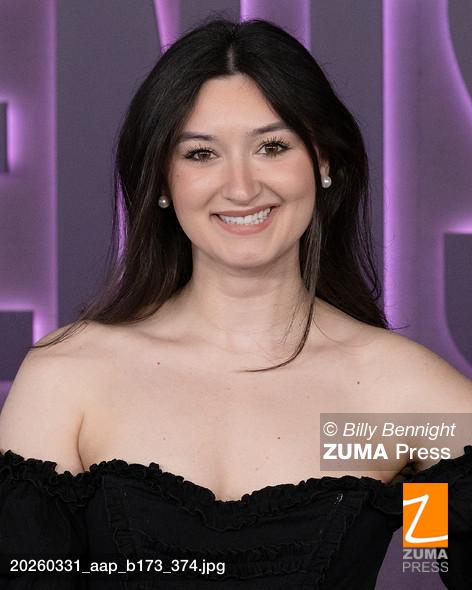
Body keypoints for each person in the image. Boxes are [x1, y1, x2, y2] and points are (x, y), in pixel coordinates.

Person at [0, 17, 471, 590]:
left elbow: (434, 551)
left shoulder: (404, 396)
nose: (242, 188)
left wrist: (425, 518)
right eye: (201, 154)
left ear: (323, 162)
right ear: (162, 181)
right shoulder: (68, 378)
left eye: (272, 147)